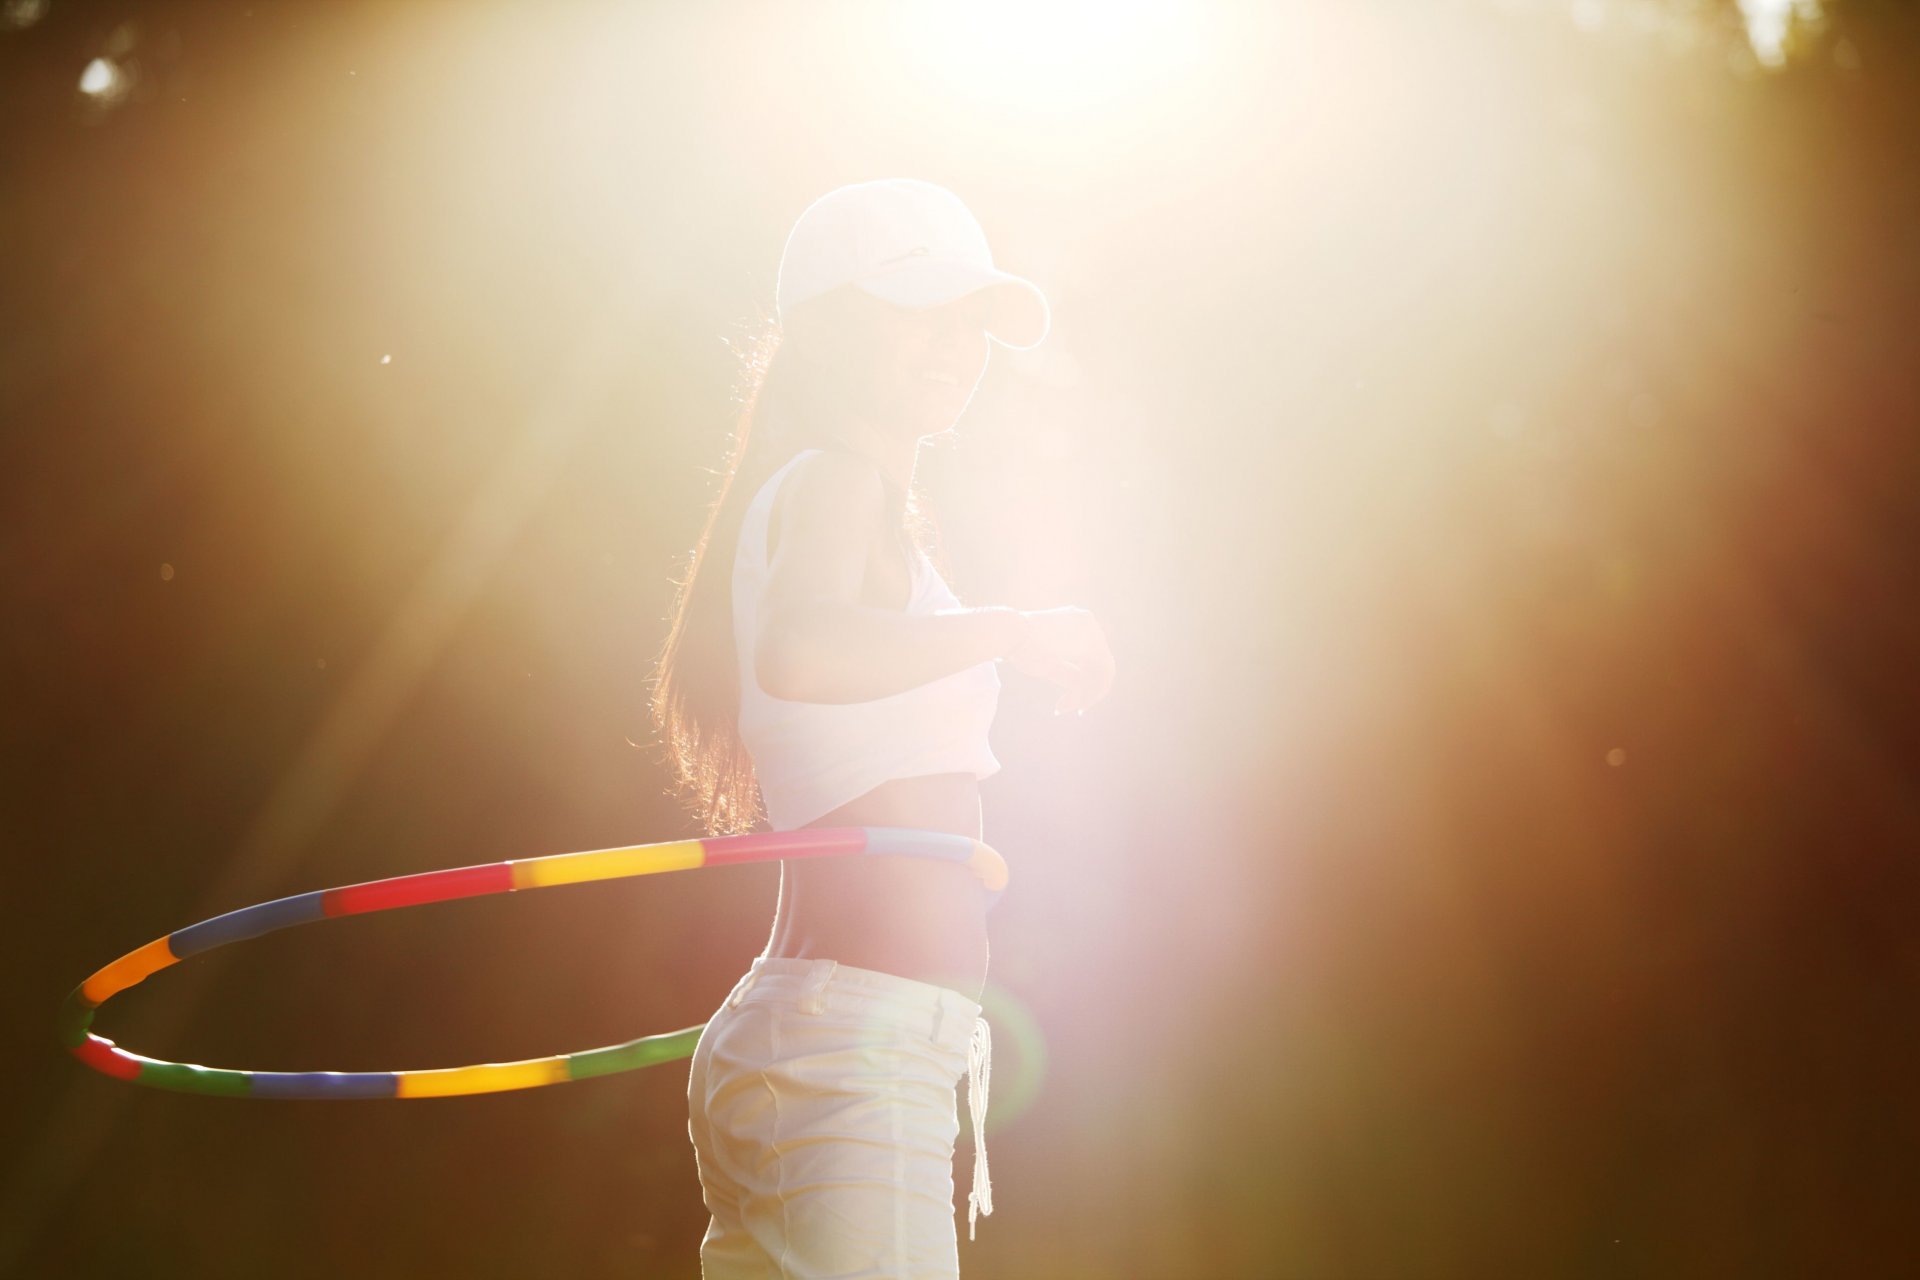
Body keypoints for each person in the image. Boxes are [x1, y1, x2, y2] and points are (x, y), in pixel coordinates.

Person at [647, 177, 1115, 1279]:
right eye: (921, 311)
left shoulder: (821, 490)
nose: (955, 345)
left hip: (787, 1034)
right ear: (830, 327)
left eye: (970, 322)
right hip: (856, 1051)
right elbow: (802, 651)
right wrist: (1010, 629)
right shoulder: (839, 479)